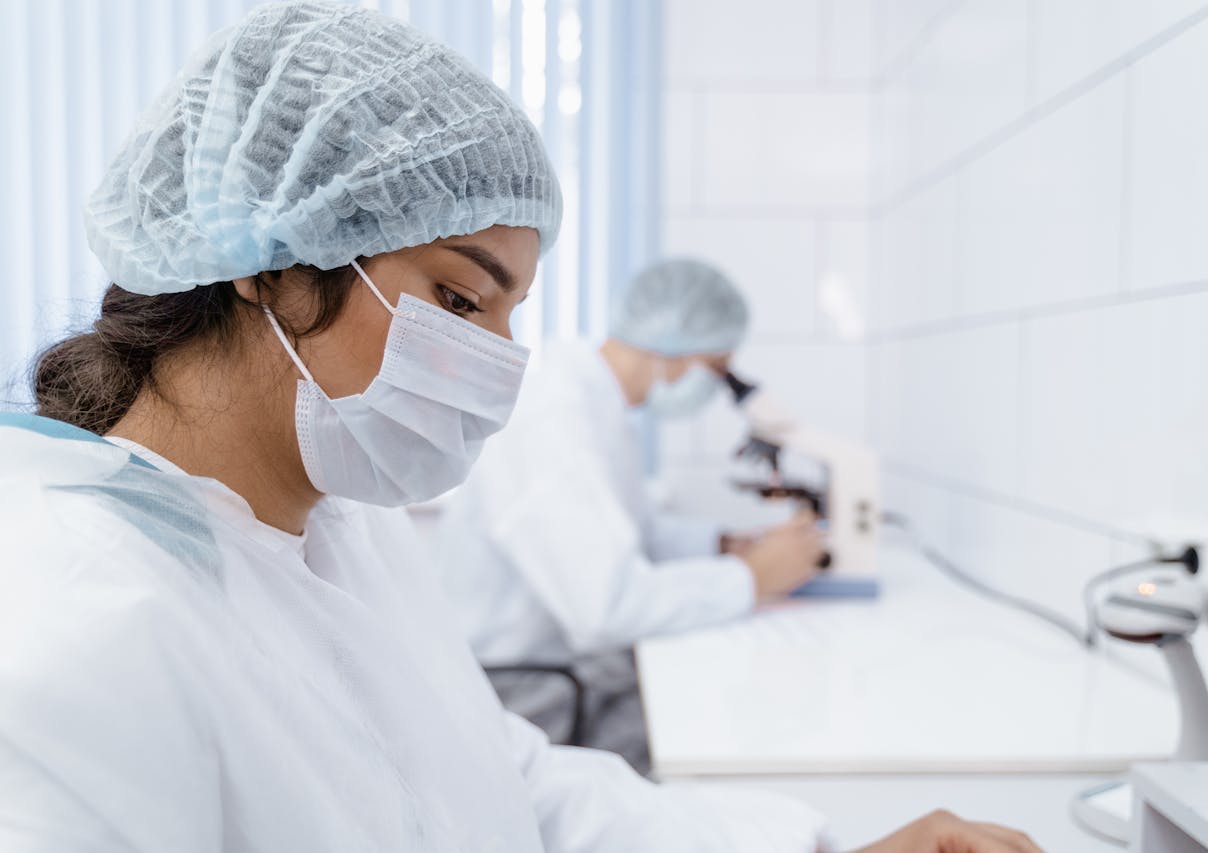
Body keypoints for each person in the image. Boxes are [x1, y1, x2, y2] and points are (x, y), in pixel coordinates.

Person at [0, 4, 1042, 852]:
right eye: (460, 301)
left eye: (509, 315)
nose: (500, 363)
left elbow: (504, 788)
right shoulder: (75, 634)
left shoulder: (340, 529)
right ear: (268, 258)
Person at [433, 257, 825, 771]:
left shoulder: (599, 407)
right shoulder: (552, 417)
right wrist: (750, 580)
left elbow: (634, 533)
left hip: (564, 664)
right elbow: (606, 609)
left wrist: (727, 546)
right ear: (676, 347)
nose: (712, 389)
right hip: (529, 690)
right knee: (724, 732)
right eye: (717, 370)